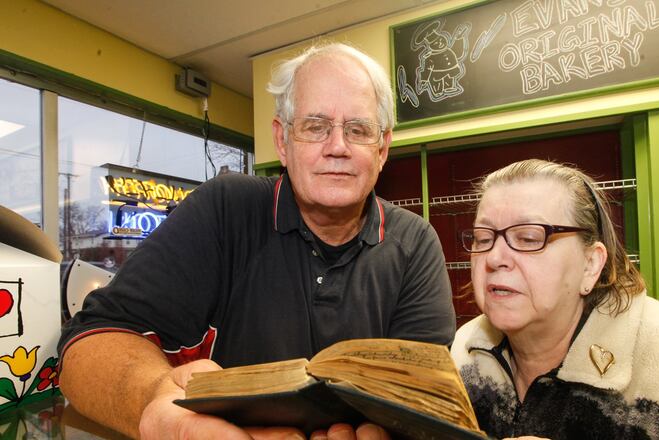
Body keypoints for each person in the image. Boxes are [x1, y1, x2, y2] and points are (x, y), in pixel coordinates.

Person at [57, 43, 455, 439]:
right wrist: (157, 405)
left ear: (382, 148)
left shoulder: (416, 244)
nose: (337, 147)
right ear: (282, 141)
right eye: (315, 126)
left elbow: (425, 402)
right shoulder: (224, 209)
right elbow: (90, 341)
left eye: (358, 129)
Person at [451, 159, 659, 439]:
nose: (494, 258)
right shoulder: (466, 352)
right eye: (482, 238)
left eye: (528, 238)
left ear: (590, 264)